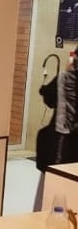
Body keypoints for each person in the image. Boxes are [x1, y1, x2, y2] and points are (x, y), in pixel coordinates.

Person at [34, 53, 78, 209]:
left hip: (60, 145)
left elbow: (48, 97)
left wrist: (68, 70)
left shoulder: (65, 78)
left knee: (52, 189)